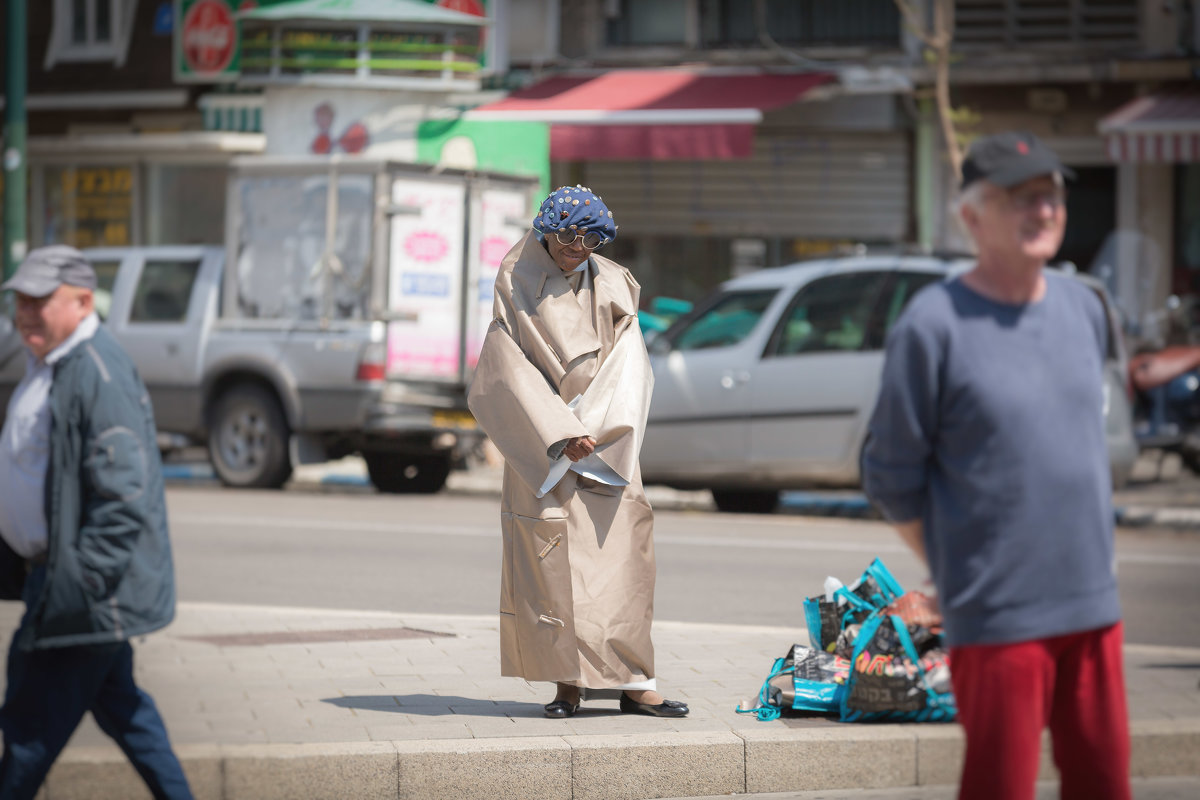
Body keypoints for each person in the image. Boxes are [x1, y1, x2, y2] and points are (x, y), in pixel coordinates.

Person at [861, 131, 1131, 800]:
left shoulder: (1085, 307)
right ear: (972, 218)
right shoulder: (933, 325)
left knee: (1105, 782)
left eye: (1052, 194)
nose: (1043, 210)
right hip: (998, 613)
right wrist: (958, 569)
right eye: (1021, 198)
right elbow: (891, 479)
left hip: (1093, 604)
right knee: (1000, 786)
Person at [468, 186, 687, 719]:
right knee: (552, 567)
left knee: (625, 562)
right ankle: (567, 685)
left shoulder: (614, 281)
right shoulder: (515, 274)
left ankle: (636, 683)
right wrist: (559, 428)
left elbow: (630, 363)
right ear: (547, 229)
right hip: (542, 441)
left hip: (608, 438)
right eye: (568, 235)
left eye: (591, 238)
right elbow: (505, 358)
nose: (578, 247)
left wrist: (602, 428)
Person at [0, 246, 193, 799]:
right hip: (65, 580)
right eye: (20, 299)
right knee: (128, 715)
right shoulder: (53, 361)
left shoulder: (97, 372)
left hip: (80, 591)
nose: (26, 312)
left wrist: (78, 585)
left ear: (83, 302)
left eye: (40, 300)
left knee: (28, 733)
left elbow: (122, 498)